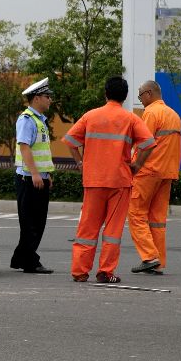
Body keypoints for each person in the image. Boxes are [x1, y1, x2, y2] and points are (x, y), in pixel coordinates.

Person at [63, 77, 156, 283]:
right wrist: (137, 165)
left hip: (93, 180)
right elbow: (149, 143)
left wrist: (80, 163)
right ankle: (106, 271)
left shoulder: (91, 116)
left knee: (87, 228)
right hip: (120, 181)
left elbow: (70, 141)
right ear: (125, 96)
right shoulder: (130, 118)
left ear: (106, 93)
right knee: (113, 231)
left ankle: (80, 271)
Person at [128, 80, 181, 275]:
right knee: (157, 219)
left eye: (140, 95)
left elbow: (144, 143)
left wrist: (134, 165)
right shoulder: (174, 114)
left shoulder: (151, 112)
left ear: (149, 93)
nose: (140, 100)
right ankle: (158, 261)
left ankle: (149, 256)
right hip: (167, 173)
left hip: (148, 172)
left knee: (136, 213)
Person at [10, 77, 55, 274]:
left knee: (38, 222)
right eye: (47, 96)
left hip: (39, 178)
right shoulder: (27, 119)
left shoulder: (39, 120)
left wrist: (46, 174)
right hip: (28, 179)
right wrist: (36, 174)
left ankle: (21, 258)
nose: (50, 100)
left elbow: (41, 150)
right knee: (30, 223)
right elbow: (25, 147)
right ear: (36, 98)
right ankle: (30, 261)